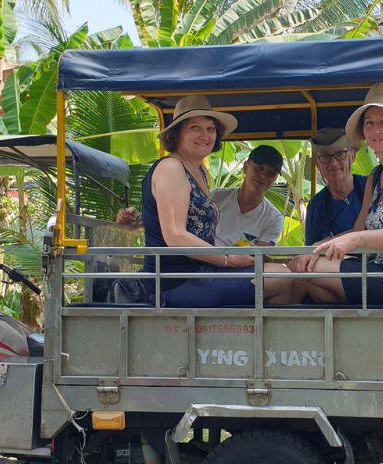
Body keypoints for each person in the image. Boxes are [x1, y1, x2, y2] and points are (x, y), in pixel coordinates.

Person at [288, 83, 383, 308]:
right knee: (309, 276)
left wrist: (354, 241)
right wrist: (317, 248)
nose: (376, 129)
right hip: (378, 272)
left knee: (307, 270)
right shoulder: (376, 176)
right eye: (369, 123)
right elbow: (359, 228)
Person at [140, 96, 295, 307]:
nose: (205, 135)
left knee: (284, 276)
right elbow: (174, 235)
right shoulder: (171, 168)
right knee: (281, 278)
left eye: (210, 129)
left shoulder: (199, 171)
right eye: (195, 128)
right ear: (177, 134)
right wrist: (227, 259)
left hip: (201, 271)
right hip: (174, 281)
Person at [210, 145, 286, 248]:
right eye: (259, 169)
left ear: (275, 179)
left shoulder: (273, 218)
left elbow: (259, 255)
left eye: (270, 173)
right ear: (245, 167)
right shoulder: (215, 197)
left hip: (242, 263)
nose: (263, 176)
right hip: (205, 259)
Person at [302, 128, 367, 245]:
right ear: (317, 164)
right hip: (334, 262)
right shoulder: (316, 205)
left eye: (340, 154)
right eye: (325, 156)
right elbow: (311, 251)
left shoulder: (371, 187)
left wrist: (328, 243)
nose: (333, 162)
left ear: (352, 157)